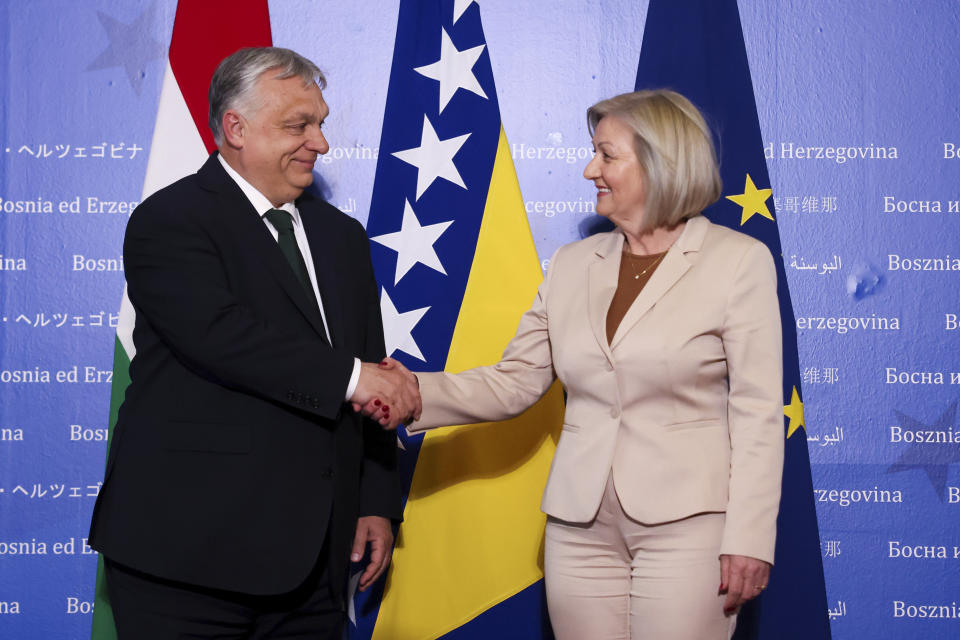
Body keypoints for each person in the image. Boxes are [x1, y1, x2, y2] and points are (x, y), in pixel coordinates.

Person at [370, 89, 784, 639]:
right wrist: (414, 393)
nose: (591, 169)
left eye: (607, 155)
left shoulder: (738, 261)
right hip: (578, 526)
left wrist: (750, 537)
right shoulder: (572, 264)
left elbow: (757, 413)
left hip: (690, 528)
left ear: (661, 162)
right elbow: (514, 381)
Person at [88, 47, 419, 639]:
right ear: (235, 128)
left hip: (317, 565)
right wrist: (354, 379)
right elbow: (221, 338)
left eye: (320, 123)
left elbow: (368, 366)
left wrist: (375, 499)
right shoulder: (171, 221)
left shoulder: (341, 237)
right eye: (299, 125)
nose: (320, 142)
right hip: (187, 560)